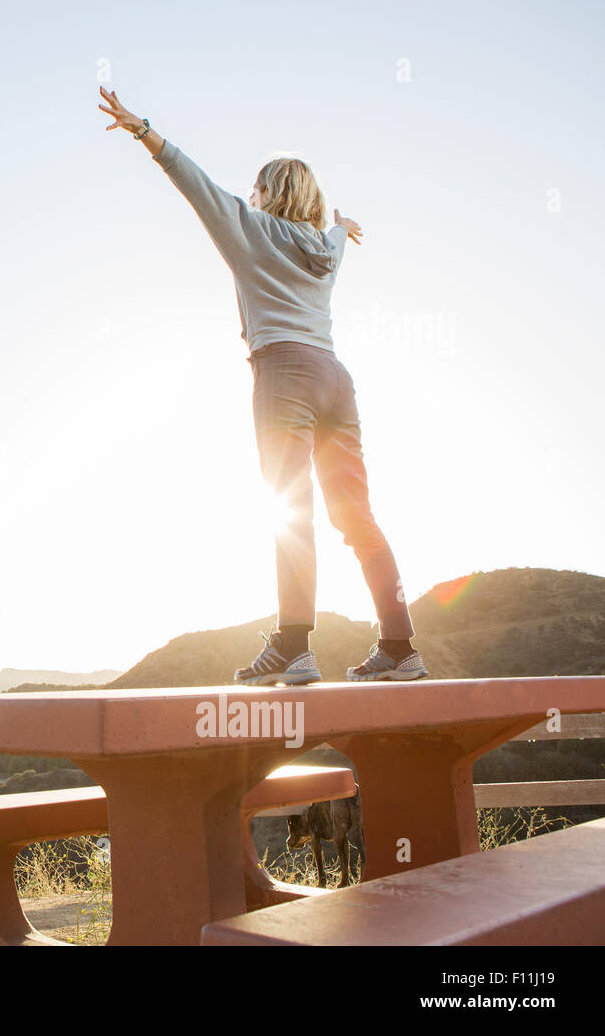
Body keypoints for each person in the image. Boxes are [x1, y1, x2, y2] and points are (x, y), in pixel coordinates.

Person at [97, 85, 427, 686]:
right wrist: (342, 225)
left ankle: (295, 648)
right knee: (357, 516)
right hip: (336, 378)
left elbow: (191, 181)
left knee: (290, 509)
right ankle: (401, 648)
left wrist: (143, 129)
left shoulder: (249, 228)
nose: (247, 196)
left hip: (284, 373)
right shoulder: (322, 249)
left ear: (269, 192)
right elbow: (335, 239)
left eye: (255, 188)